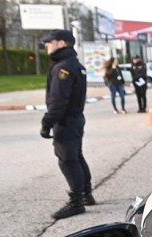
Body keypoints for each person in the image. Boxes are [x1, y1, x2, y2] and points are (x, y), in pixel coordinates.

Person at [39, 29, 95, 220]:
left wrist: (47, 123)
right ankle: (86, 194)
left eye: (49, 42)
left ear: (61, 43)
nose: (47, 46)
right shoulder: (75, 64)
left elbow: (58, 101)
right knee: (76, 156)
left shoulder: (62, 68)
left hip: (66, 121)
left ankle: (76, 202)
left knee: (68, 160)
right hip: (76, 119)